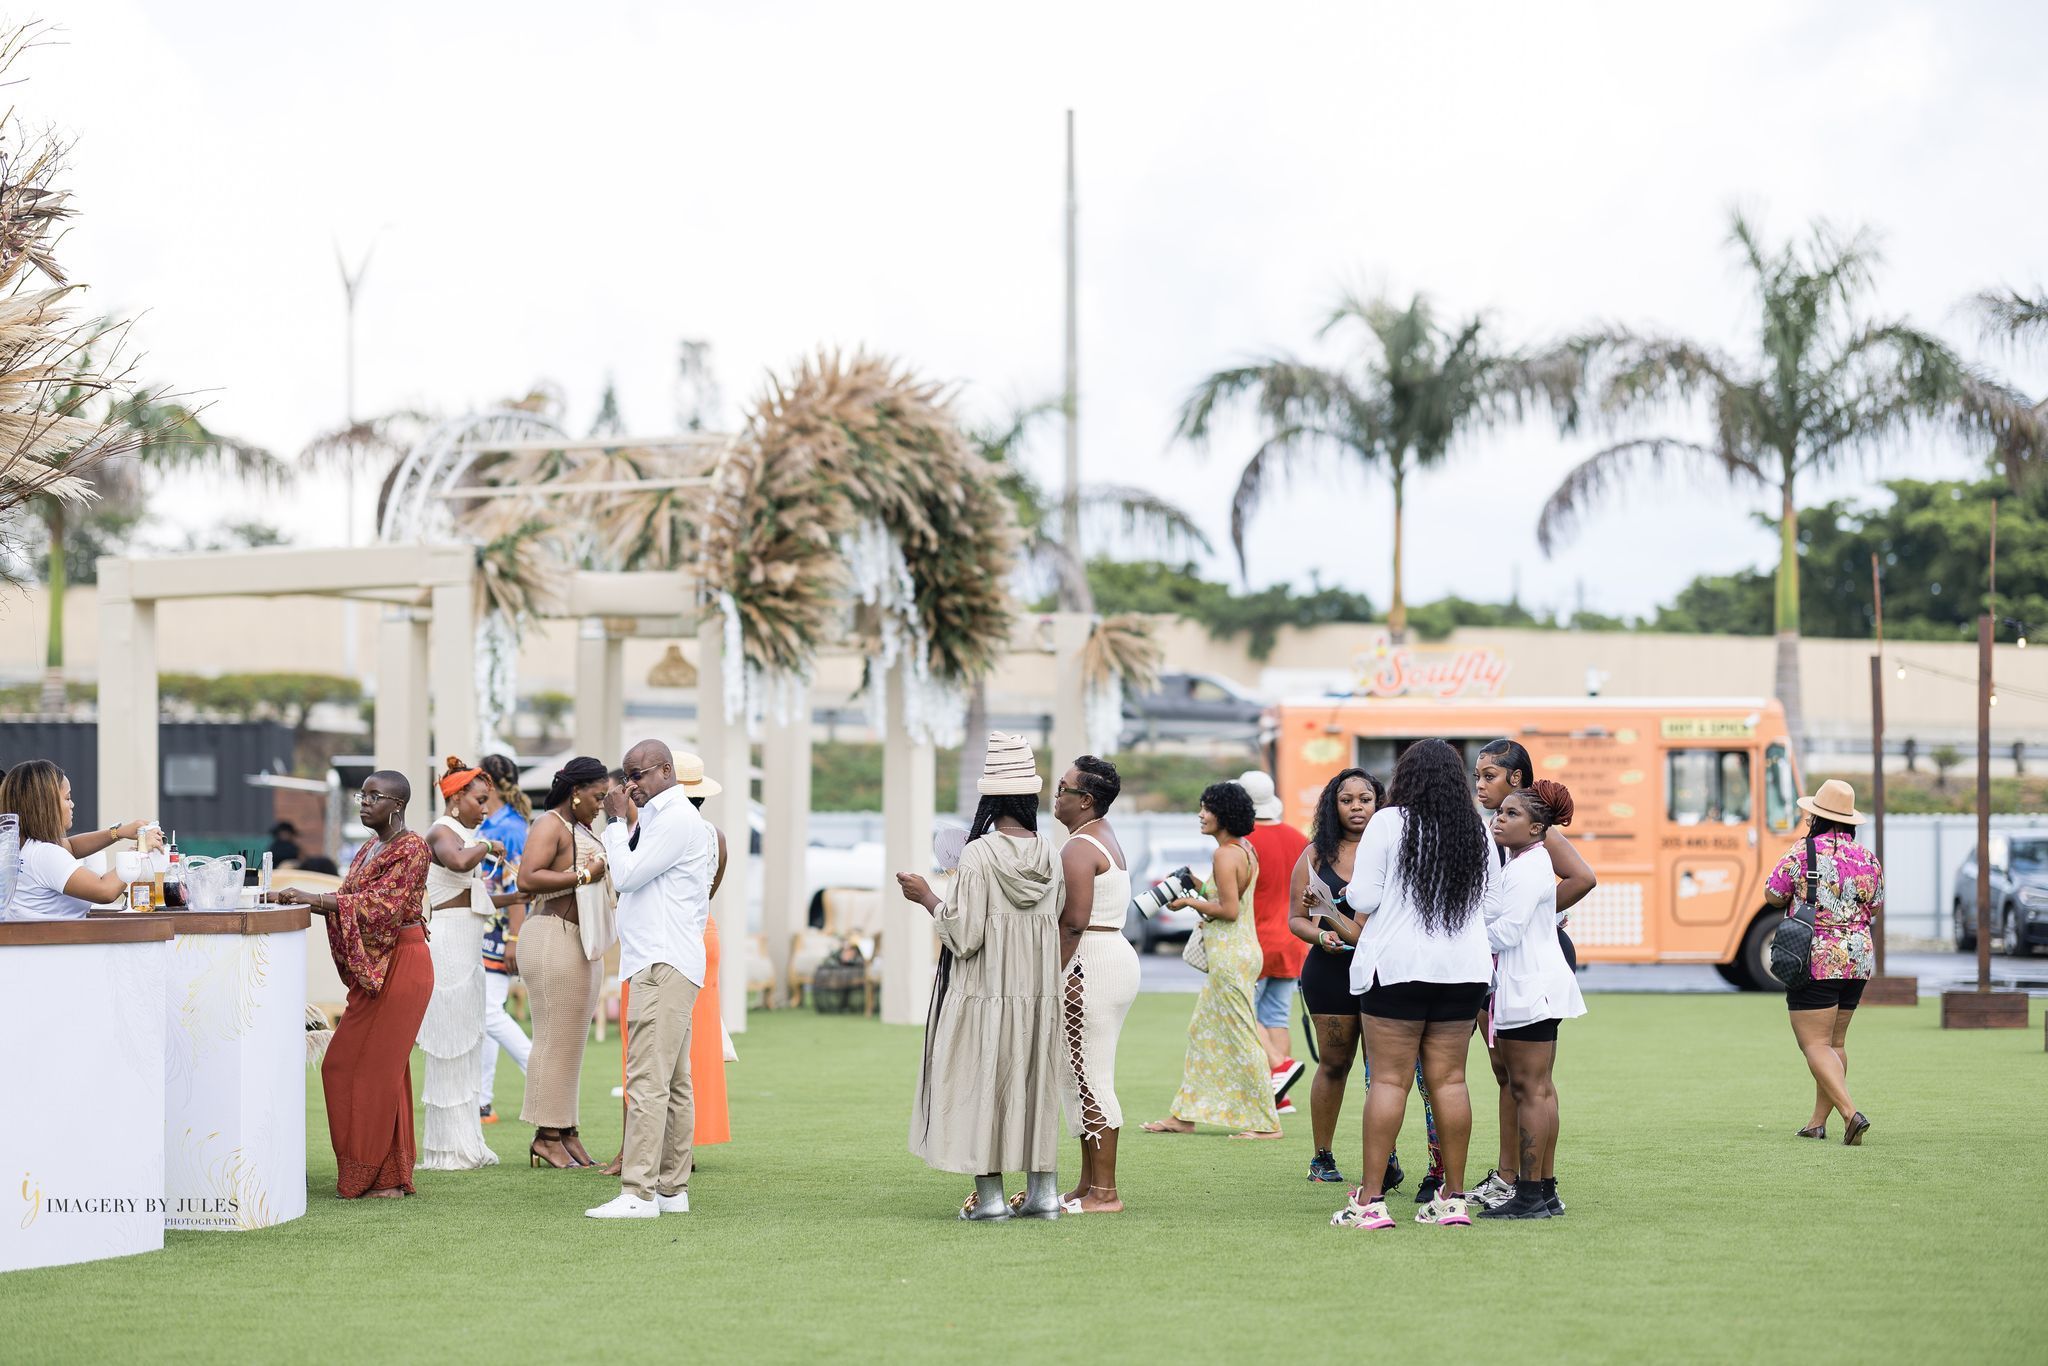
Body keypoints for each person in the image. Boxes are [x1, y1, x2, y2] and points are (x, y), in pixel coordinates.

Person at [896, 732, 1065, 1221]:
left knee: (981, 1083)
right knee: (1034, 1086)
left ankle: (990, 1200)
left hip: (985, 990)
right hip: (1037, 993)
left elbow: (965, 935)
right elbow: (1053, 918)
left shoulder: (978, 854)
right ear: (1030, 799)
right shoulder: (1050, 853)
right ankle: (1043, 1194)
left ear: (990, 800)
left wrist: (927, 897)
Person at [1332, 739, 1495, 1232]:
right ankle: (1453, 1199)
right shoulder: (1476, 828)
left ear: (1405, 777)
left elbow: (1363, 897)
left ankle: (1371, 1201)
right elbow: (1490, 902)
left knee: (1388, 1081)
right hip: (1464, 970)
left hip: (1398, 968)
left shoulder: (1388, 822)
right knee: (1451, 1081)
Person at [272, 771, 433, 1198]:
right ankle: (389, 1174)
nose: (364, 802)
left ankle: (378, 1176)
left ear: (397, 805)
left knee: (359, 1068)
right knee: (378, 1070)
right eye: (362, 795)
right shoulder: (368, 848)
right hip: (381, 965)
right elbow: (348, 901)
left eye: (374, 796)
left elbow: (382, 907)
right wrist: (291, 898)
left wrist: (312, 898)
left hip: (402, 961)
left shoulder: (413, 847)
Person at [1286, 768, 1439, 1192]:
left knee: (1383, 1070)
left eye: (1365, 799)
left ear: (1379, 802)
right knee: (1334, 1063)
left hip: (1381, 972)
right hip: (1329, 972)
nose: (1357, 807)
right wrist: (1320, 935)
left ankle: (1387, 1159)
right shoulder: (1315, 854)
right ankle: (1322, 1156)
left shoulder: (1396, 848)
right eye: (1346, 800)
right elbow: (1296, 918)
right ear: (1333, 806)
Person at [587, 741, 719, 1220]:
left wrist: (615, 822)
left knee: (646, 1080)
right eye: (626, 777)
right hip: (665, 960)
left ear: (666, 771)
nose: (630, 786)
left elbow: (625, 876)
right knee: (674, 1082)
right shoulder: (664, 818)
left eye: (637, 775)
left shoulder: (676, 818)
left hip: (662, 963)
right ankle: (670, 1189)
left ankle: (638, 1193)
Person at [1469, 737, 1598, 1211]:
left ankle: (1525, 1187)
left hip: (1527, 970)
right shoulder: (1515, 842)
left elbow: (1582, 879)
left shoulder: (1535, 843)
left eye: (1490, 777)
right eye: (1477, 777)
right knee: (1522, 1080)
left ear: (1517, 780)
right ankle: (1536, 1187)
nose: (1481, 787)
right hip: (1516, 968)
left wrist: (1540, 915)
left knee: (1528, 1084)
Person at [1143, 781, 1282, 1141]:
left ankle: (1268, 1123)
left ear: (1223, 814)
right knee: (1201, 1031)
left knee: (1243, 1037)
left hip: (1231, 956)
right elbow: (1224, 895)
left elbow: (1229, 910)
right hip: (1238, 953)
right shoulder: (1244, 849)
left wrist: (1189, 902)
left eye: (1207, 809)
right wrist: (1194, 883)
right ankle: (1184, 1115)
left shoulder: (1224, 854)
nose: (1201, 815)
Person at [515, 756, 617, 1169]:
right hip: (551, 937)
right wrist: (584, 876)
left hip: (581, 941)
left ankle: (567, 1129)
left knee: (572, 1042)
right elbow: (527, 878)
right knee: (553, 1040)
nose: (601, 804)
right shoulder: (549, 825)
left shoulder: (582, 828)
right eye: (598, 796)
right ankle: (546, 1136)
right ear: (576, 792)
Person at [1765, 778, 1878, 1147]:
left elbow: (1773, 893)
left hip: (1815, 958)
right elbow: (1875, 904)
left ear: (1815, 817)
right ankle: (1816, 1123)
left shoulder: (1802, 853)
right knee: (1835, 1043)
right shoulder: (1866, 858)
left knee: (1814, 1043)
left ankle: (1850, 1114)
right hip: (1858, 959)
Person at [1050, 754, 1139, 1214]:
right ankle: (1087, 1185)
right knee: (1078, 1072)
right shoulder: (1100, 835)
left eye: (1062, 788)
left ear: (1085, 800)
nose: (1055, 795)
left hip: (1090, 961)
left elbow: (1072, 923)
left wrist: (1049, 974)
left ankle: (1105, 1193)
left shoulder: (1079, 848)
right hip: (1109, 955)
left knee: (1088, 1075)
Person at [417, 757, 512, 1171]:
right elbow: (457, 862)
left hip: (468, 943)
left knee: (469, 1041)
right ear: (456, 799)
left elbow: (477, 896)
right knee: (451, 1040)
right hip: (449, 943)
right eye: (480, 800)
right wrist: (488, 846)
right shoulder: (442, 832)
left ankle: (466, 1141)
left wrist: (524, 895)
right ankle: (446, 1149)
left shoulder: (464, 835)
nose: (485, 808)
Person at [1237, 769, 1311, 1115]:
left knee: (1242, 1012)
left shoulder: (1242, 841)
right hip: (1293, 939)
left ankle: (1278, 1069)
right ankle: (1280, 1097)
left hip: (1253, 940)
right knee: (1277, 1017)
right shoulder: (1298, 839)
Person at [0, 760, 162, 919]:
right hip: (57, 937)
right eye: (67, 798)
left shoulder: (24, 847)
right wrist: (140, 850)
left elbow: (71, 846)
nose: (72, 804)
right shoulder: (45, 854)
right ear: (46, 804)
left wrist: (118, 832)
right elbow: (105, 890)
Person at [476, 754, 533, 1125]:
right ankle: (482, 1101)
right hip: (484, 925)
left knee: (488, 1013)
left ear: (490, 783)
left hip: (500, 929)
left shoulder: (511, 827)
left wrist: (514, 936)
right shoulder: (488, 821)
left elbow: (518, 887)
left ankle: (539, 1072)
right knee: (486, 1013)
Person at [684, 772, 733, 1154]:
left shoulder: (668, 832)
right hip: (706, 930)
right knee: (700, 1039)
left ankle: (674, 1139)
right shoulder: (716, 836)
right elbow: (710, 888)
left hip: (681, 934)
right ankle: (692, 1135)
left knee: (670, 1040)